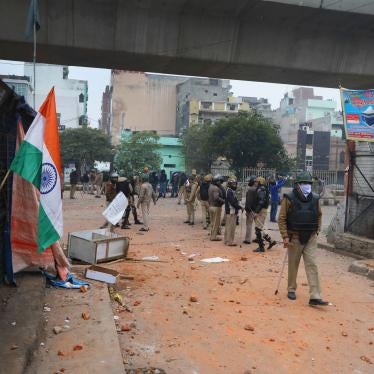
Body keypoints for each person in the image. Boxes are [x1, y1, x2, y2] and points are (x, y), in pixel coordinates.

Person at [278, 172, 329, 306]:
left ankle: (315, 296)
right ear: (297, 185)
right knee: (293, 265)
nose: (307, 186)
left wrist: (317, 229)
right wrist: (285, 236)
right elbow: (282, 218)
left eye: (308, 183)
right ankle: (291, 289)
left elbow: (319, 215)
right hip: (294, 237)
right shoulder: (288, 198)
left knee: (312, 264)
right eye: (304, 183)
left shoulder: (315, 198)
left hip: (311, 237)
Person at [253, 176, 277, 252]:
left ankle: (261, 247)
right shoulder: (263, 188)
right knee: (260, 228)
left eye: (257, 182)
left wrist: (256, 211)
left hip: (261, 210)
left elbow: (261, 201)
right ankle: (271, 241)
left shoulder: (261, 189)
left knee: (258, 229)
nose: (255, 183)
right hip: (262, 209)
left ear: (260, 182)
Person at [224, 178, 243, 246]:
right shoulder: (229, 192)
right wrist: (240, 207)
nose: (235, 185)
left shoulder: (230, 191)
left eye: (235, 184)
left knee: (228, 226)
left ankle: (226, 240)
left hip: (230, 211)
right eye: (233, 184)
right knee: (231, 227)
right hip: (231, 211)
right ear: (230, 184)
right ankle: (230, 242)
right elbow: (232, 202)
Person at [208, 175, 226, 241]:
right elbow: (216, 198)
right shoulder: (216, 188)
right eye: (219, 181)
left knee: (212, 222)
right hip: (216, 207)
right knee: (216, 223)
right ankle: (213, 237)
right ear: (216, 181)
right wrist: (224, 201)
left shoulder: (210, 186)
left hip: (211, 206)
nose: (220, 183)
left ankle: (212, 234)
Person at [243, 176, 257, 244]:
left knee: (249, 225)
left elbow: (248, 201)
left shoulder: (250, 190)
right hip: (256, 210)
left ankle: (247, 239)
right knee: (258, 225)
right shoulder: (258, 189)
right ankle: (258, 238)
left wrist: (247, 209)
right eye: (256, 182)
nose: (257, 183)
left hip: (251, 210)